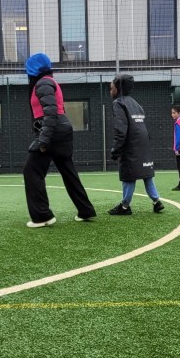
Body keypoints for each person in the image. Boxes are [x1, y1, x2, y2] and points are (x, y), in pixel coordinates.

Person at [22, 52, 97, 228]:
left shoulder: (43, 83)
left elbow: (51, 113)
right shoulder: (49, 81)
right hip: (60, 131)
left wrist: (43, 140)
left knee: (31, 171)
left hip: (51, 132)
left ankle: (42, 216)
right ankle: (85, 210)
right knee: (68, 172)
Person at [108, 74, 164, 216]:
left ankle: (125, 206)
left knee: (128, 175)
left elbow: (121, 129)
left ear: (118, 88)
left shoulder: (118, 103)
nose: (110, 91)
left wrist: (116, 150)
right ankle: (157, 202)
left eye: (111, 88)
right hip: (143, 144)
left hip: (131, 145)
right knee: (146, 174)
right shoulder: (136, 104)